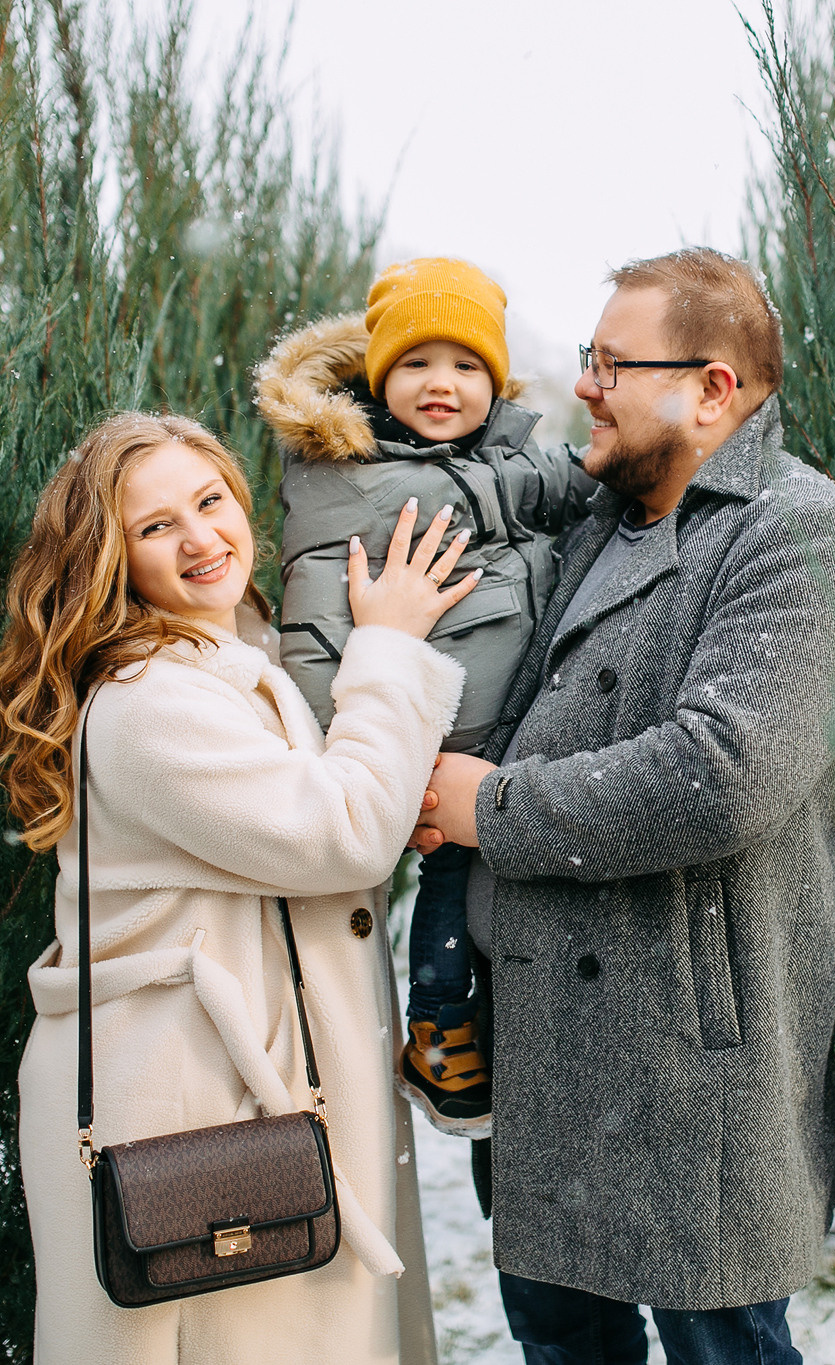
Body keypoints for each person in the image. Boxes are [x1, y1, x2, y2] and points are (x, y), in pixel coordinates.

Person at [412, 248, 835, 1365]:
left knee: (721, 1348)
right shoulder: (591, 520)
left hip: (686, 1073)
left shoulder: (800, 533)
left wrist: (492, 810)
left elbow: (723, 774)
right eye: (588, 360)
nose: (583, 386)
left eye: (610, 364)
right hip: (541, 1057)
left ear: (712, 388)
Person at [0, 410, 480, 1364]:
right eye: (156, 525)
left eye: (211, 501)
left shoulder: (233, 655)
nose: (202, 538)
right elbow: (340, 836)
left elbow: (317, 829)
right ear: (108, 557)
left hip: (236, 1093)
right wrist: (391, 647)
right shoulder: (148, 701)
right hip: (193, 1116)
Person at [256, 258, 592, 1138]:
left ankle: (464, 1024)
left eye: (466, 365)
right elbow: (517, 492)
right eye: (416, 363)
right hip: (419, 730)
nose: (442, 383)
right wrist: (598, 469)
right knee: (447, 869)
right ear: (377, 378)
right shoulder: (351, 467)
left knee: (469, 869)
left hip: (487, 722)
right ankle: (437, 1022)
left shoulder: (483, 457)